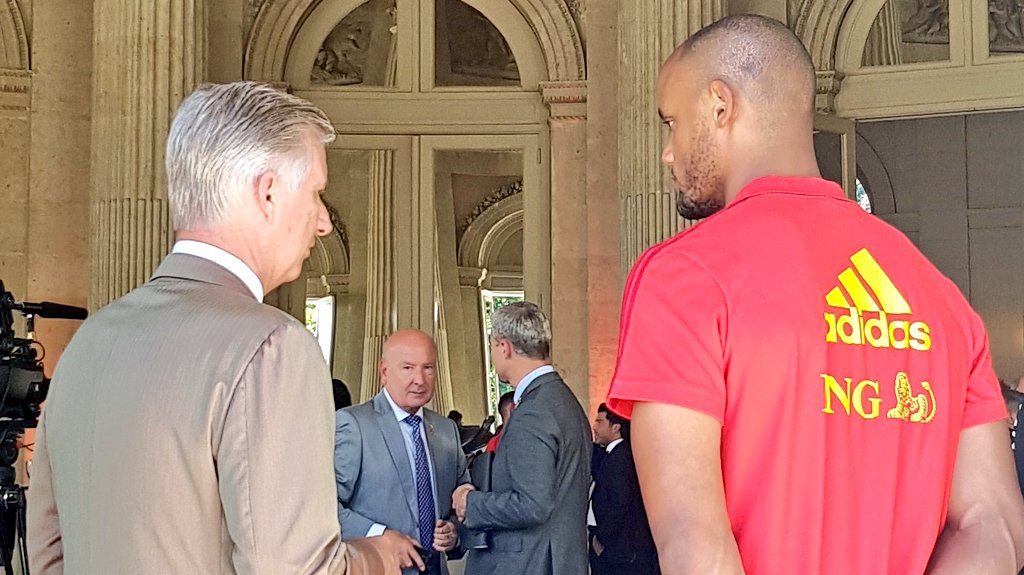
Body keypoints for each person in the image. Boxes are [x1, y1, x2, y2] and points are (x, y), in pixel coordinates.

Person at [605, 14, 1024, 575]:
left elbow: (694, 543)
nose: (667, 152)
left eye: (672, 122)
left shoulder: (684, 277)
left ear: (719, 105)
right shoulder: (941, 299)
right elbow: (992, 525)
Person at [26, 82, 405, 573]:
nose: (323, 222)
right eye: (315, 192)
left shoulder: (87, 342)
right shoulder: (273, 348)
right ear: (268, 193)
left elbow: (47, 550)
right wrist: (373, 557)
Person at [453, 302, 590, 575]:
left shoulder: (534, 411)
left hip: (531, 563)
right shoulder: (563, 401)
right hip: (559, 560)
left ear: (503, 347)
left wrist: (471, 504)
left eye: (492, 347)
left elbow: (532, 505)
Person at [334, 329, 470, 575]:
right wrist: (380, 535)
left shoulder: (446, 430)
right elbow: (326, 508)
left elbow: (462, 498)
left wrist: (454, 530)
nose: (419, 379)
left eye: (428, 368)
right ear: (384, 372)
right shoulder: (353, 425)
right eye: (408, 368)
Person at [589, 404, 657, 575]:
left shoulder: (621, 457)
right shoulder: (611, 454)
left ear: (615, 427)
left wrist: (601, 538)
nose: (595, 427)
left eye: (599, 422)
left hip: (617, 547)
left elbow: (620, 501)